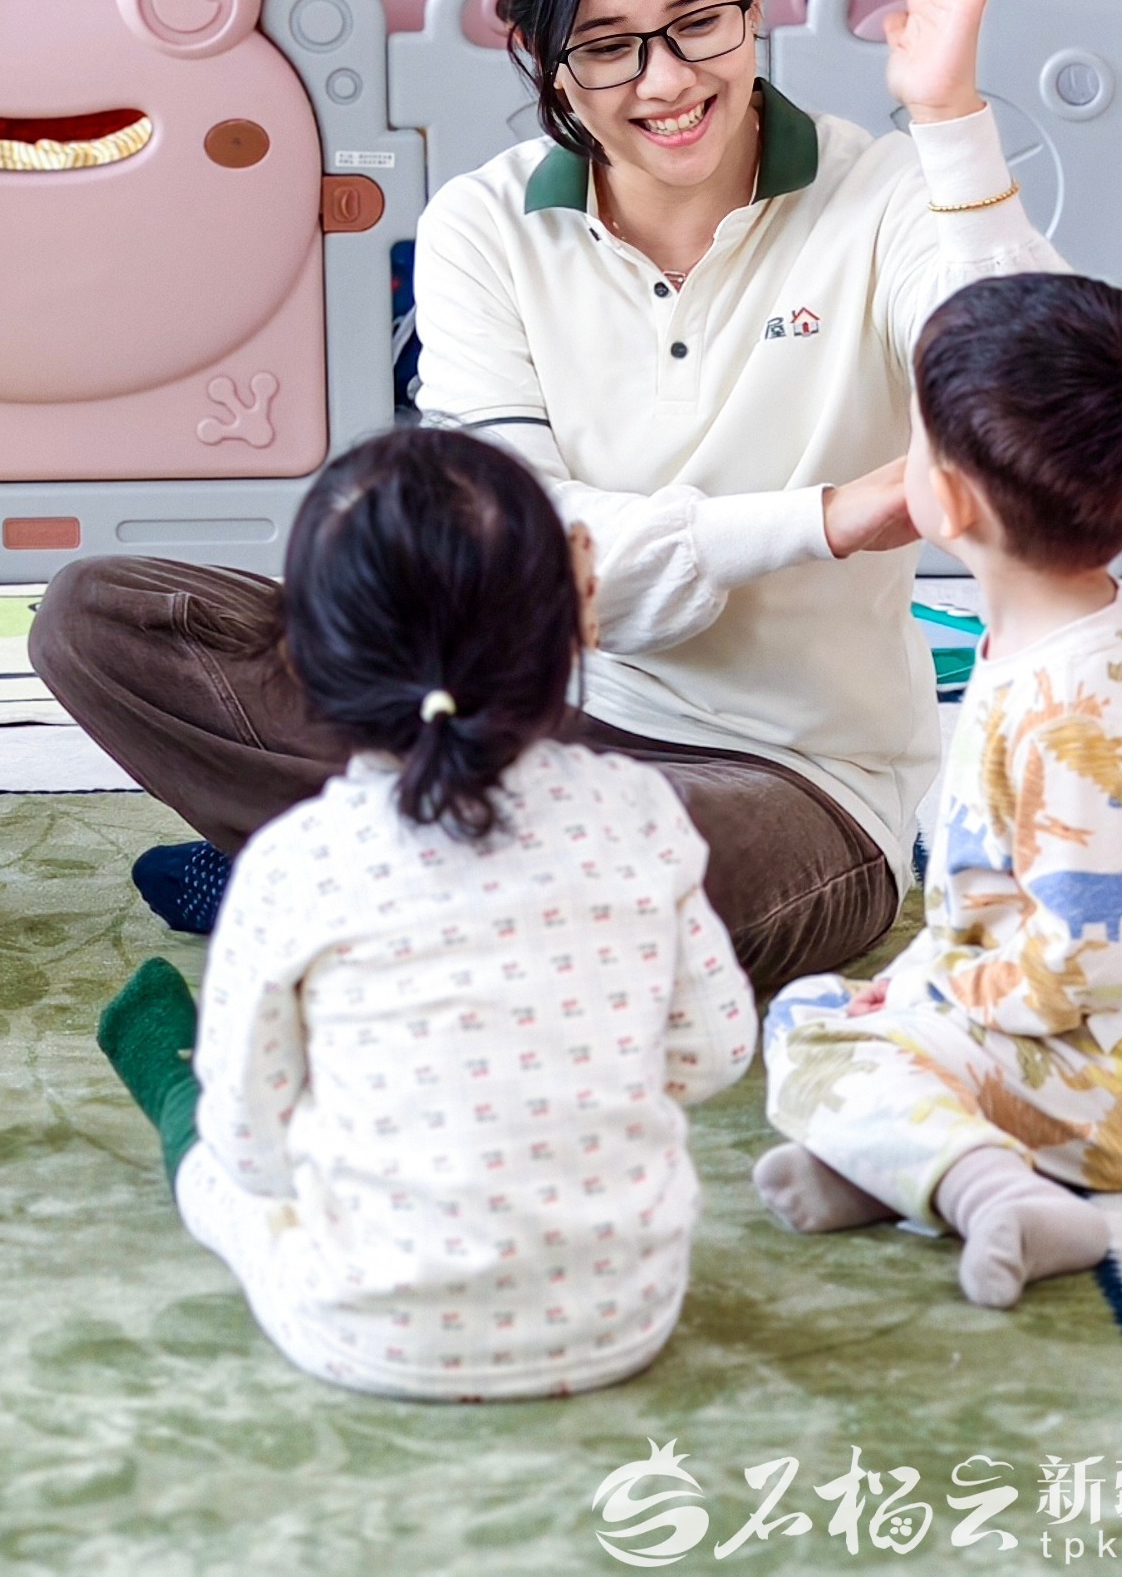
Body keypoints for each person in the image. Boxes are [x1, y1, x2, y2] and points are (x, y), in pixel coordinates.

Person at [35, 0, 1066, 992]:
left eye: (700, 22)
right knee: (102, 620)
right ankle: (417, 884)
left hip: (784, 780)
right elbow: (531, 557)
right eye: (609, 47)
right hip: (504, 723)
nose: (667, 82)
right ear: (536, 51)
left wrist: (949, 119)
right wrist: (832, 516)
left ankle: (343, 878)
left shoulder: (878, 195)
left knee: (634, 865)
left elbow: (1031, 399)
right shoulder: (481, 231)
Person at [96, 428, 757, 1399]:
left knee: (220, 1179)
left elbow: (255, 1149)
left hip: (367, 1331)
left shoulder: (293, 861)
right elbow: (715, 1051)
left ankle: (166, 1086)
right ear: (577, 620)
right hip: (626, 1314)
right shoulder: (638, 811)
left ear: (297, 660)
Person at [755, 275, 1122, 1308]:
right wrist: (924, 980)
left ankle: (992, 1192)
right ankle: (908, 1160)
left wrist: (932, 997)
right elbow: (998, 911)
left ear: (946, 500)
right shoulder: (1059, 627)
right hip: (1061, 1024)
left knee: (823, 1046)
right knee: (812, 1011)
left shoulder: (1077, 710)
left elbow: (1094, 958)